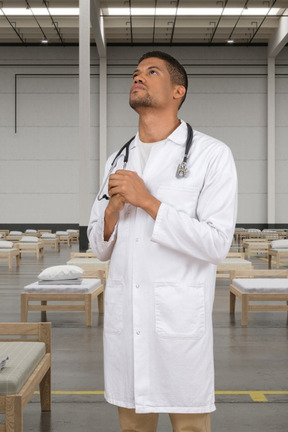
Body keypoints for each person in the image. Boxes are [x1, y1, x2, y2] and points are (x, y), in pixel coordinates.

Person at [88, 51, 238, 432]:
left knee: (190, 427)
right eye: (136, 72)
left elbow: (217, 244)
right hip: (128, 322)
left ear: (177, 91)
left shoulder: (211, 155)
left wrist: (149, 202)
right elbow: (99, 247)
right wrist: (111, 214)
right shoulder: (117, 160)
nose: (138, 77)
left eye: (151, 72)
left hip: (178, 324)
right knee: (133, 427)